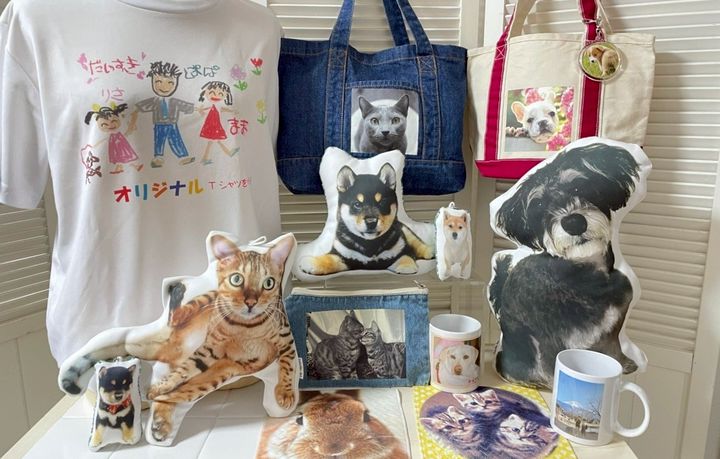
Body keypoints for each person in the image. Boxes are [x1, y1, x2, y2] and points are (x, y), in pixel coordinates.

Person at [127, 61, 195, 168]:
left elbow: (185, 106)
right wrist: (132, 114)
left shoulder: (174, 101)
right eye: (158, 82)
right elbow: (139, 106)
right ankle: (158, 157)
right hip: (159, 124)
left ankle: (183, 156)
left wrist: (197, 109)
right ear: (152, 82)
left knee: (176, 139)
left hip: (172, 124)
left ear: (176, 83)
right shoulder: (155, 101)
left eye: (170, 83)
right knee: (159, 140)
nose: (164, 87)